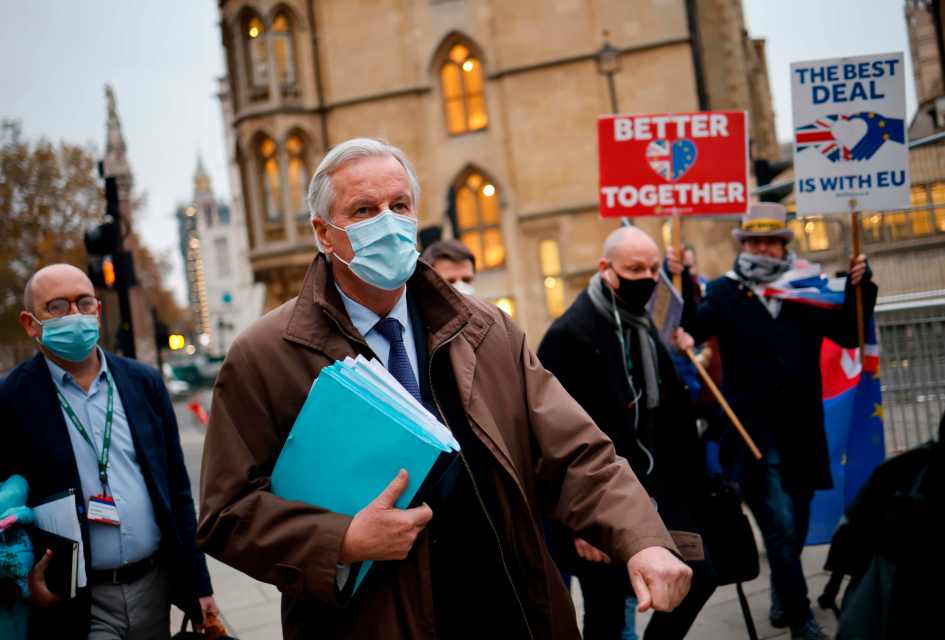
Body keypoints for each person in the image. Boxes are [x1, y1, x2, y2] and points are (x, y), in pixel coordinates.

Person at [197, 138, 692, 639]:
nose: (387, 222)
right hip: (373, 621)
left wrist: (641, 539)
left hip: (505, 608)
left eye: (399, 205)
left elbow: (578, 452)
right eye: (364, 210)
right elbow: (227, 513)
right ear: (324, 233)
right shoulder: (264, 355)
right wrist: (341, 540)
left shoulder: (486, 330)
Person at [669, 202, 877, 640]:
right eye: (755, 242)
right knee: (780, 526)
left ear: (784, 245)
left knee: (796, 520)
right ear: (743, 245)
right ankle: (801, 618)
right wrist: (682, 281)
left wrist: (860, 288)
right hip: (751, 433)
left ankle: (786, 591)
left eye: (771, 241)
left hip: (801, 429)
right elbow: (693, 324)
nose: (763, 249)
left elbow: (849, 332)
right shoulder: (726, 292)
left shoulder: (804, 288)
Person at [0, 264, 219, 640]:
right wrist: (24, 581)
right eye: (57, 307)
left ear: (98, 311)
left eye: (84, 303)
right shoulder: (12, 400)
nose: (75, 315)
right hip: (76, 601)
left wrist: (200, 585)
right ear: (30, 323)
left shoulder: (144, 383)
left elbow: (178, 494)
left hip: (155, 586)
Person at [538, 227, 716, 640]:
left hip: (655, 492)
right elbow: (554, 437)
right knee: (611, 614)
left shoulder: (642, 324)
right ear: (606, 270)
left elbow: (668, 413)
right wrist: (583, 525)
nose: (648, 277)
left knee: (699, 576)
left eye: (654, 269)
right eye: (635, 268)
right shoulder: (571, 334)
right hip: (598, 505)